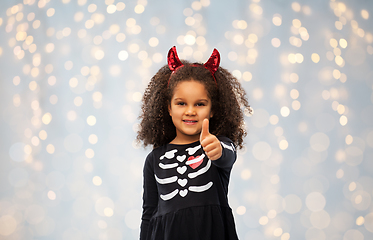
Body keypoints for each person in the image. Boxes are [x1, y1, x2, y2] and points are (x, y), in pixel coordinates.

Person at [137, 46, 251, 240]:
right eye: (181, 103)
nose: (190, 111)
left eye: (200, 104)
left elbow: (227, 155)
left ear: (213, 109)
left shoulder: (217, 146)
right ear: (169, 108)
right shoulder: (154, 159)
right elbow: (148, 213)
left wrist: (217, 150)